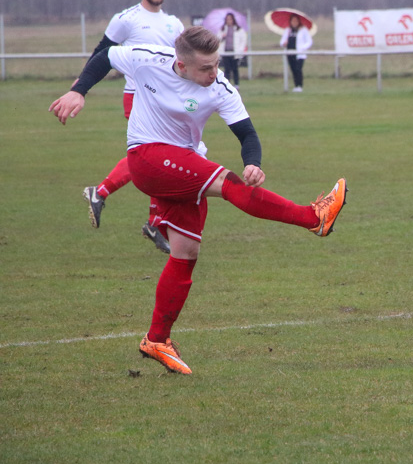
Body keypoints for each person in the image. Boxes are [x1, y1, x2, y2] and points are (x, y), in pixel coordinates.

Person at [49, 27, 347, 375]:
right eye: (205, 67)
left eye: (216, 63)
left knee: (186, 252)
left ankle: (157, 339)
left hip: (179, 168)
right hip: (146, 156)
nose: (213, 72)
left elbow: (247, 133)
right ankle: (313, 218)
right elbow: (104, 56)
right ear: (181, 64)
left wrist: (254, 162)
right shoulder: (148, 60)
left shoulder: (220, 86)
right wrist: (78, 91)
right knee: (227, 182)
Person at [82, 0, 184, 255]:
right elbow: (102, 52)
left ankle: (149, 220)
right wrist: (82, 85)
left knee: (160, 160)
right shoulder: (126, 19)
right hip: (137, 97)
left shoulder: (174, 24)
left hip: (167, 102)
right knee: (152, 157)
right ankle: (108, 197)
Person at [279, 15, 313, 92]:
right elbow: (282, 42)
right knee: (293, 69)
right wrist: (284, 43)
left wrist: (302, 48)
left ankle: (299, 85)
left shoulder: (303, 30)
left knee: (298, 69)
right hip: (290, 53)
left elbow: (309, 42)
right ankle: (296, 86)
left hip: (300, 54)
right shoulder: (288, 30)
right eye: (293, 21)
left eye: (296, 21)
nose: (294, 22)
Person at [218, 12, 247, 87]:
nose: (229, 21)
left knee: (235, 69)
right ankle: (227, 84)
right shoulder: (222, 29)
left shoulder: (239, 29)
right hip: (225, 52)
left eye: (230, 19)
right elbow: (217, 40)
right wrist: (222, 37)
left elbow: (243, 40)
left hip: (235, 53)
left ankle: (236, 84)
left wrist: (240, 50)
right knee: (227, 69)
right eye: (227, 19)